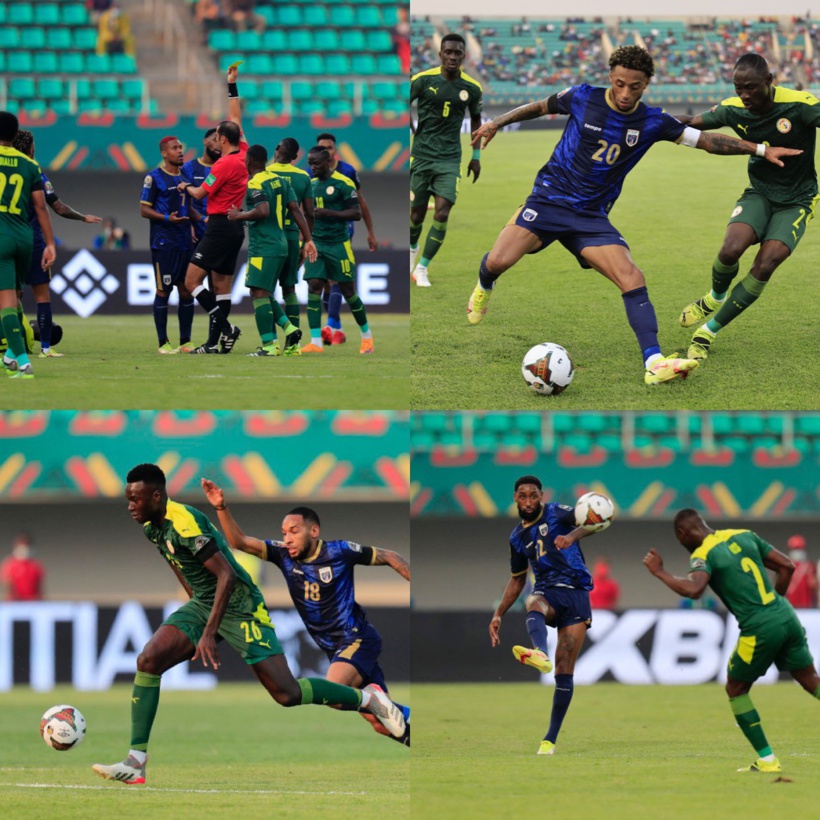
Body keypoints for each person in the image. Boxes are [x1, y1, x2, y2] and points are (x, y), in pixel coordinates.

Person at [466, 45, 802, 386]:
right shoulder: (582, 97)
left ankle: (654, 363)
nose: (626, 93)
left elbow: (707, 141)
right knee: (497, 262)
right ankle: (484, 285)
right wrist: (496, 121)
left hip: (591, 216)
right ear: (611, 77)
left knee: (632, 278)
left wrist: (761, 148)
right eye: (620, 84)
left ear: (647, 84)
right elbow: (539, 107)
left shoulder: (653, 121)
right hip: (549, 201)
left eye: (635, 86)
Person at [92, 463, 406, 786]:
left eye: (136, 499)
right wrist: (197, 613)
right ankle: (136, 762)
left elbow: (227, 573)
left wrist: (209, 631)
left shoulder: (185, 523)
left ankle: (370, 700)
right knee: (148, 659)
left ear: (156, 496)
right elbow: (179, 565)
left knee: (287, 693)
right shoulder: (151, 527)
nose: (130, 506)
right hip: (204, 602)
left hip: (241, 606)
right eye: (128, 499)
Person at [201, 478, 411, 745]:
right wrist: (221, 507)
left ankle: (379, 702)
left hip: (356, 638)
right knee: (384, 724)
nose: (287, 538)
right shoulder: (282, 554)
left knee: (334, 693)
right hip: (332, 647)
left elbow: (390, 556)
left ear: (314, 531)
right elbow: (240, 542)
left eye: (294, 531)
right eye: (284, 532)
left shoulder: (340, 551)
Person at [643, 509, 820, 773]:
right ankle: (767, 760)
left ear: (683, 534)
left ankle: (767, 761)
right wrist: (775, 601)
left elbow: (694, 589)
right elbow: (787, 566)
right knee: (809, 680)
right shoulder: (744, 535)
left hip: (759, 626)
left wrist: (659, 572)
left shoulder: (703, 553)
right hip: (785, 615)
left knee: (736, 689)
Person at [676, 54, 820, 364]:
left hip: (798, 199)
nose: (744, 95)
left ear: (770, 81)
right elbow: (691, 125)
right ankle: (714, 297)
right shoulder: (734, 109)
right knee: (731, 249)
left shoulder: (801, 105)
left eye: (751, 88)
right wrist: (647, 123)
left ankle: (708, 332)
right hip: (759, 193)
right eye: (738, 88)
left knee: (767, 263)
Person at [489, 475, 599, 755]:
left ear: (541, 495)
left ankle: (549, 741)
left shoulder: (557, 512)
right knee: (533, 602)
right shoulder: (517, 537)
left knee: (564, 670)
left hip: (576, 594)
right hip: (548, 590)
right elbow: (517, 579)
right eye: (523, 496)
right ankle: (540, 652)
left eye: (533, 495)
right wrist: (498, 613)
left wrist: (571, 535)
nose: (528, 501)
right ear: (515, 497)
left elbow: (594, 519)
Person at [11, 129, 101, 358]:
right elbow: (57, 207)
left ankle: (12, 347)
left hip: (9, 239)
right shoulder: (34, 172)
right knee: (42, 296)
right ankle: (45, 349)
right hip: (32, 241)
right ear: (31, 148)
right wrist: (82, 217)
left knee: (12, 297)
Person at [177, 65, 247, 354]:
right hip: (235, 227)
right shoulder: (243, 153)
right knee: (222, 287)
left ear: (223, 140)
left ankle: (228, 329)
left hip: (218, 226)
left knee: (191, 280)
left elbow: (200, 193)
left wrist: (185, 187)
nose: (214, 140)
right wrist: (231, 86)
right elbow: (235, 118)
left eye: (217, 137)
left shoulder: (222, 165)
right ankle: (215, 343)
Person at [227, 143, 316, 356]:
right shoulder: (280, 181)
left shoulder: (255, 182)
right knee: (272, 291)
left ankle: (270, 345)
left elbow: (263, 211)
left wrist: (239, 215)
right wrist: (308, 239)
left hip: (264, 245)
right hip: (285, 242)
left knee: (258, 293)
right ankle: (290, 330)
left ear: (248, 161)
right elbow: (296, 210)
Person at [410, 32, 483, 287]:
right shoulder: (422, 80)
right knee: (416, 217)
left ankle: (422, 269)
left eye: (457, 53)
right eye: (448, 52)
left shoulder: (472, 88)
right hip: (421, 158)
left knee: (441, 213)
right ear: (440, 54)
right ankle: (411, 249)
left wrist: (476, 155)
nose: (453, 57)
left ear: (464, 55)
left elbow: (476, 119)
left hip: (450, 160)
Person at [300, 146, 374, 354]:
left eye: (315, 163)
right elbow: (306, 217)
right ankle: (316, 342)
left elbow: (356, 213)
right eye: (310, 163)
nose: (312, 167)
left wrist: (328, 213)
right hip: (317, 244)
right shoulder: (310, 185)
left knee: (349, 292)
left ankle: (367, 337)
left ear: (327, 162)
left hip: (339, 244)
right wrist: (304, 242)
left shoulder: (343, 183)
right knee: (313, 286)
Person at [0, 111, 56, 380]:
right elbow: (41, 206)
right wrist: (50, 244)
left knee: (6, 302)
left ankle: (22, 362)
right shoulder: (30, 165)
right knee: (15, 296)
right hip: (24, 238)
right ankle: (10, 355)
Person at [139, 136, 197, 354]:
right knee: (163, 291)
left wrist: (197, 221)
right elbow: (144, 210)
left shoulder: (185, 175)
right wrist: (166, 218)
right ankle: (163, 343)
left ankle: (186, 342)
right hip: (164, 242)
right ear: (164, 153)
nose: (180, 151)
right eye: (175, 148)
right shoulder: (154, 178)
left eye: (181, 147)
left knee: (186, 290)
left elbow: (188, 206)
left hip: (185, 242)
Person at [265, 137, 314, 331]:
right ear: (295, 157)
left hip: (269, 238)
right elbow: (309, 214)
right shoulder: (303, 177)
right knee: (289, 289)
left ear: (276, 149)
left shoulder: (264, 174)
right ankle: (293, 343)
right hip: (293, 238)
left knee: (264, 290)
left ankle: (271, 341)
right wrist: (305, 242)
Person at [181, 128, 221, 249]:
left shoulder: (224, 168)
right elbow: (182, 201)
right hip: (195, 233)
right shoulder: (189, 168)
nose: (218, 145)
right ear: (205, 141)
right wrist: (188, 224)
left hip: (219, 232)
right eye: (215, 140)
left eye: (220, 141)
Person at [1, 533, 45, 601]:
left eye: (26, 545)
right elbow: (8, 585)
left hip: (33, 603)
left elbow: (39, 587)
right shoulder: (9, 564)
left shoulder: (36, 565)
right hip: (14, 603)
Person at [784, 534, 817, 609]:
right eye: (795, 549)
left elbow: (812, 584)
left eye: (799, 549)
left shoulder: (809, 566)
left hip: (806, 603)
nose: (797, 552)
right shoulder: (785, 565)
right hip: (790, 602)